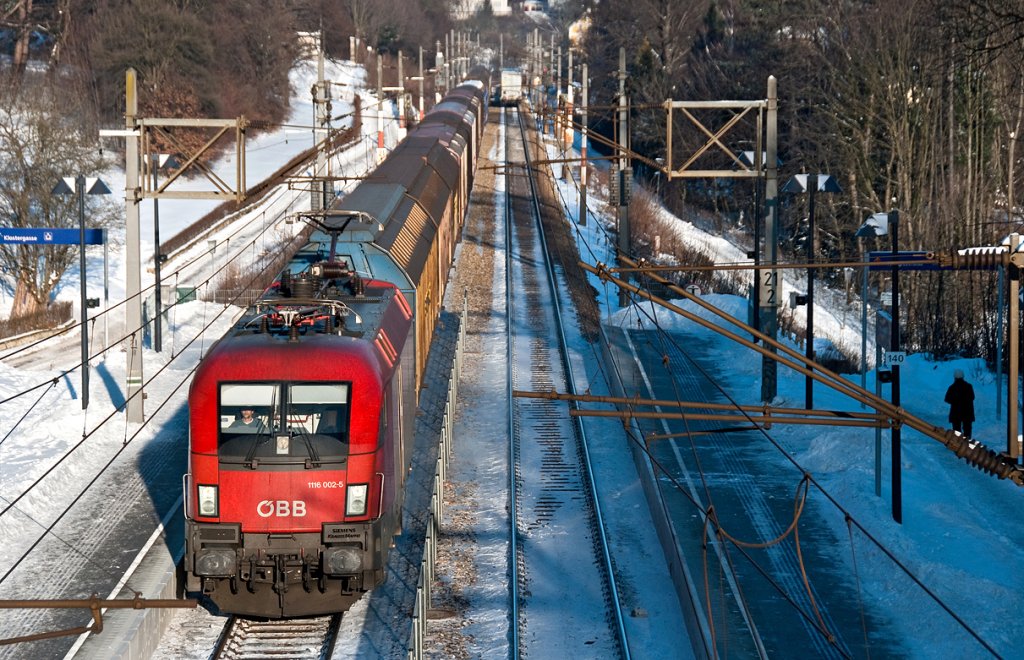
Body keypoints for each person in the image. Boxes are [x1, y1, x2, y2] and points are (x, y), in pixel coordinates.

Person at [944, 370, 975, 438]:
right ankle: (968, 443)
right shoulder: (969, 386)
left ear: (954, 377)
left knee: (957, 430)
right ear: (963, 376)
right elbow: (972, 397)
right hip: (967, 411)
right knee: (967, 429)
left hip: (956, 412)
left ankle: (958, 443)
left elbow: (947, 399)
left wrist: (955, 401)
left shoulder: (952, 387)